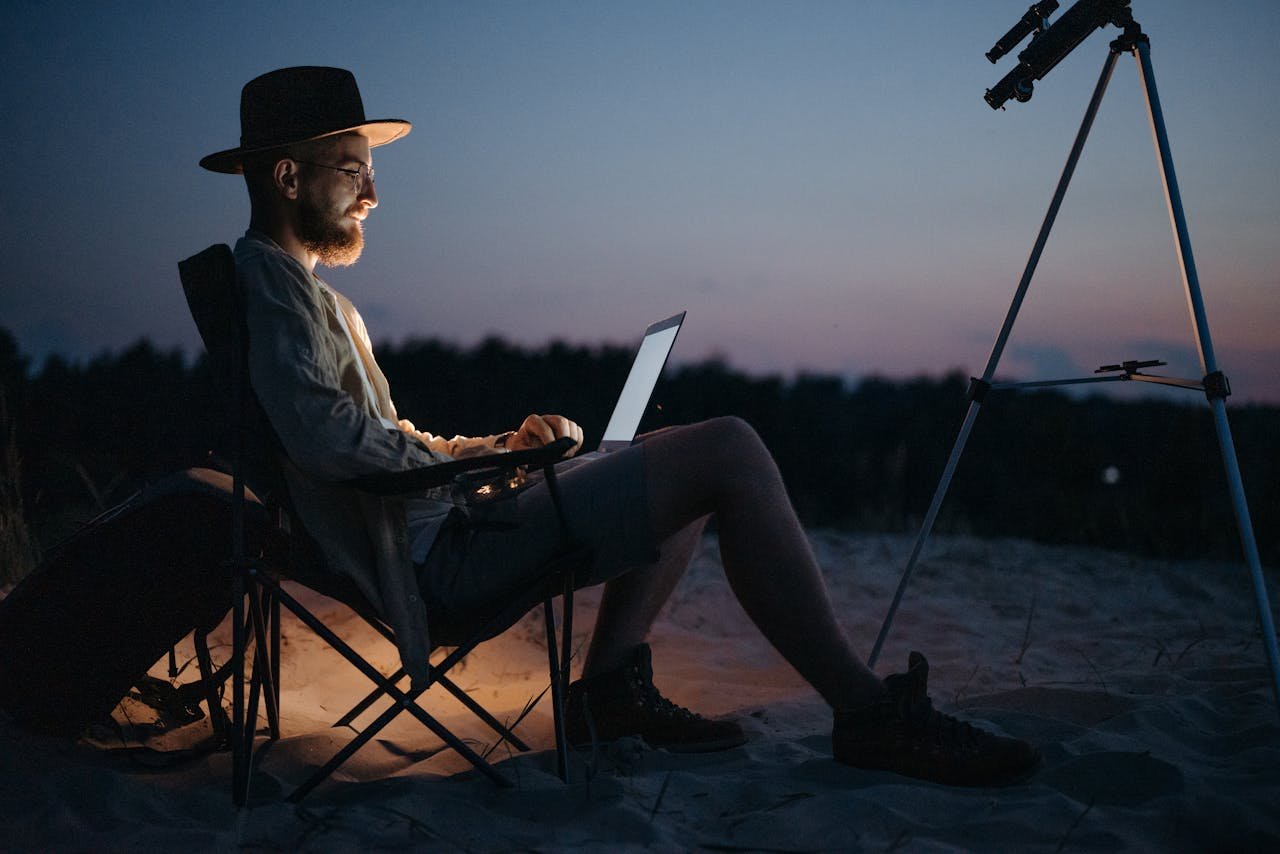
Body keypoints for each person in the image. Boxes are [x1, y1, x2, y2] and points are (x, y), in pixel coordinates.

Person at [199, 66, 1039, 787]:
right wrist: (470, 475)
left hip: (447, 522)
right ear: (287, 179)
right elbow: (329, 443)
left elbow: (373, 433)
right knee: (732, 448)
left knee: (655, 454)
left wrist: (496, 452)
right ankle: (866, 712)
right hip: (437, 562)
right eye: (353, 171)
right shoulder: (271, 288)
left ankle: (607, 691)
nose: (374, 193)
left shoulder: (311, 297)